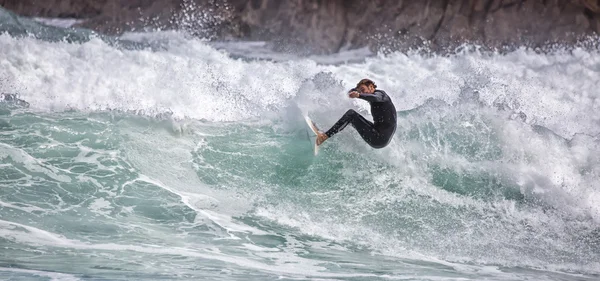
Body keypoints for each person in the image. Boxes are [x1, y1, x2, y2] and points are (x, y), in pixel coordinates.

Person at [316, 79, 397, 149]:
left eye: (363, 89)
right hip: (377, 133)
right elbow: (357, 91)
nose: (362, 92)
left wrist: (359, 95)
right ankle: (326, 132)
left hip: (379, 138)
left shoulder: (381, 95)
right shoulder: (373, 95)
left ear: (371, 87)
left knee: (351, 115)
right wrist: (352, 91)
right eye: (360, 91)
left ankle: (324, 136)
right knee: (350, 121)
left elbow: (375, 98)